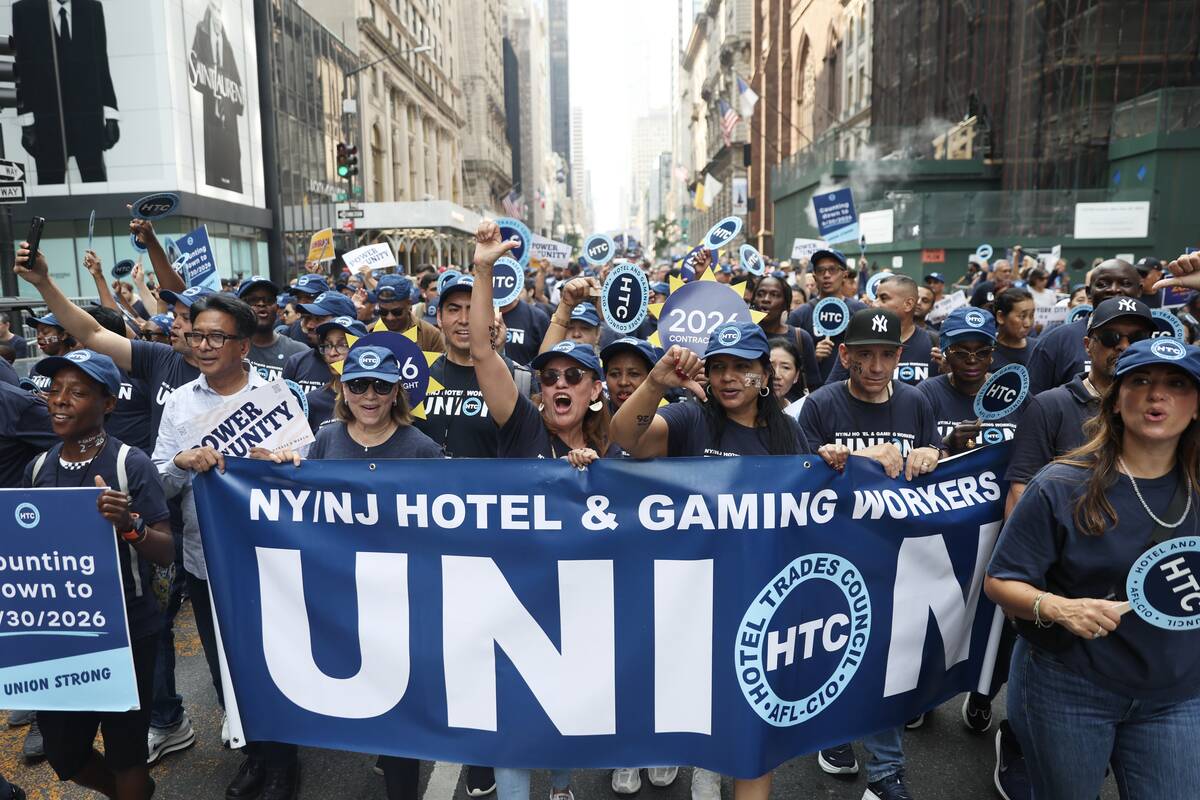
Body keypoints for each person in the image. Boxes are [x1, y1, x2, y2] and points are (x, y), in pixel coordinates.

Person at [985, 338, 1200, 799]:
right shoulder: (1061, 484)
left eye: (1176, 383)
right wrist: (1059, 607)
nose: (1157, 394)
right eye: (1140, 381)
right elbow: (1000, 581)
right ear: (1117, 400)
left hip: (1177, 692)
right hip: (1070, 688)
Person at [610, 321, 809, 800]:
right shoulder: (690, 420)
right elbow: (626, 438)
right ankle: (689, 759)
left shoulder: (789, 437)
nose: (728, 378)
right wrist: (656, 381)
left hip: (758, 607)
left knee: (752, 737)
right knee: (687, 704)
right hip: (690, 604)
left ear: (766, 375)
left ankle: (714, 768)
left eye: (743, 367)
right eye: (718, 367)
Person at [469, 219, 596, 798]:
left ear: (594, 390)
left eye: (574, 376)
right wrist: (482, 269)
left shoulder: (613, 443)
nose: (560, 383)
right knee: (515, 723)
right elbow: (479, 352)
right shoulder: (520, 425)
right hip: (511, 603)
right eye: (549, 378)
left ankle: (565, 787)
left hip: (579, 605)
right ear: (538, 391)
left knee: (569, 712)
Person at [797, 308, 941, 800]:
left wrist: (932, 456)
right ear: (845, 355)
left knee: (888, 658)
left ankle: (886, 772)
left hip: (894, 554)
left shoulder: (917, 403)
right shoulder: (819, 405)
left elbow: (936, 465)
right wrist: (854, 457)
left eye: (886, 354)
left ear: (900, 355)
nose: (876, 365)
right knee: (832, 650)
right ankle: (835, 737)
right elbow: (796, 477)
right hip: (832, 555)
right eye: (864, 355)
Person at [24, 350, 174, 800]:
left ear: (108, 404)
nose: (60, 400)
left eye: (78, 392)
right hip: (62, 633)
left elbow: (166, 551)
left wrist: (130, 526)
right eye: (54, 390)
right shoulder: (38, 468)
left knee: (127, 749)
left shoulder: (131, 464)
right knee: (62, 752)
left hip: (128, 629)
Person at [1006, 296, 1155, 514]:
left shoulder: (1164, 410)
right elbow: (1022, 490)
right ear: (1087, 345)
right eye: (1110, 337)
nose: (1124, 346)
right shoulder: (1049, 407)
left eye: (1138, 338)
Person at [13, 0, 119, 184]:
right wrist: (26, 123)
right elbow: (21, 70)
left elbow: (102, 63)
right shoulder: (24, 10)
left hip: (88, 118)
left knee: (95, 182)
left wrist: (111, 115)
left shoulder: (91, 8)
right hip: (46, 121)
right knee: (50, 185)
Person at [918, 307, 1027, 454]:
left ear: (992, 354)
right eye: (961, 352)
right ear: (945, 353)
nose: (972, 359)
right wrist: (946, 444)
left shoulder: (1013, 392)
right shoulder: (926, 394)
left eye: (982, 352)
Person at [1026, 260, 1142, 394]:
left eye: (1126, 283)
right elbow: (1033, 402)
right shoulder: (1057, 340)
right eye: (1103, 284)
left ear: (1139, 290)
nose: (1114, 289)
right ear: (1089, 292)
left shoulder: (1152, 342)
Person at [827, 274, 938, 387]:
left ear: (908, 304)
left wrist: (947, 370)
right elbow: (831, 391)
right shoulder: (859, 340)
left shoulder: (933, 342)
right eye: (866, 354)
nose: (875, 304)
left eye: (883, 298)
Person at [786, 249, 868, 384]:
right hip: (813, 393)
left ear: (845, 275)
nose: (826, 275)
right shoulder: (799, 315)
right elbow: (786, 360)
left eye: (833, 269)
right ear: (814, 276)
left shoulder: (861, 312)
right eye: (820, 270)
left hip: (852, 391)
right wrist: (811, 357)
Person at [283, 290, 358, 396]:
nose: (309, 325)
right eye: (308, 318)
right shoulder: (297, 363)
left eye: (318, 319)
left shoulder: (364, 367)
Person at [303, 315, 370, 433]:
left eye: (343, 345)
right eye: (328, 345)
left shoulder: (377, 399)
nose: (333, 353)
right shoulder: (312, 402)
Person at [753, 274, 820, 391]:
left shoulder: (801, 337)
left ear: (786, 304)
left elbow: (814, 386)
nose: (766, 299)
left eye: (774, 295)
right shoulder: (745, 336)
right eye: (760, 294)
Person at [237, 277, 307, 380]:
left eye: (268, 300)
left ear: (278, 309)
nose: (261, 304)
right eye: (253, 300)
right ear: (240, 307)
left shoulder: (299, 353)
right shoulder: (228, 350)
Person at [371, 274, 445, 352]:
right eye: (383, 312)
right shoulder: (368, 333)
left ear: (409, 303)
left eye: (397, 312)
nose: (390, 317)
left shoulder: (430, 335)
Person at [990, 288, 1035, 370]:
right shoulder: (986, 353)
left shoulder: (1038, 349)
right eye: (1022, 316)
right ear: (1000, 317)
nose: (1028, 324)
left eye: (1031, 316)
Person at [768, 336, 806, 410]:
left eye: (786, 367)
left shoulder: (800, 414)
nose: (776, 375)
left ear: (796, 376)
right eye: (770, 366)